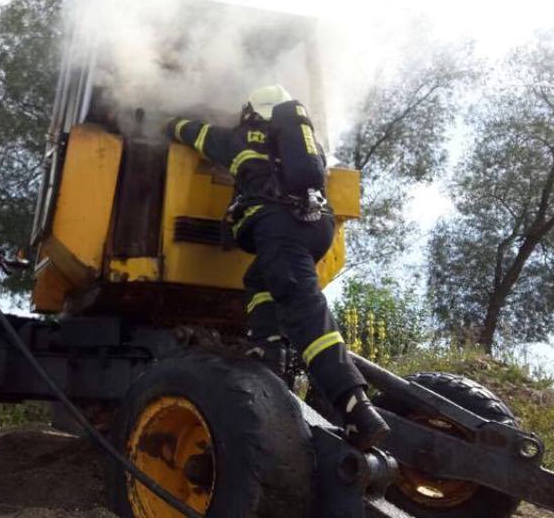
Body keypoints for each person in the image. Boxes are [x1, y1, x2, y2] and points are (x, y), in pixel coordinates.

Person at [166, 85, 390, 450]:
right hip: (318, 227)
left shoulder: (239, 138)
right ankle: (267, 349)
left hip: (279, 226)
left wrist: (170, 124)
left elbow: (197, 133)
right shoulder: (305, 143)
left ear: (253, 112)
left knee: (304, 308)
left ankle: (355, 406)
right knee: (260, 279)